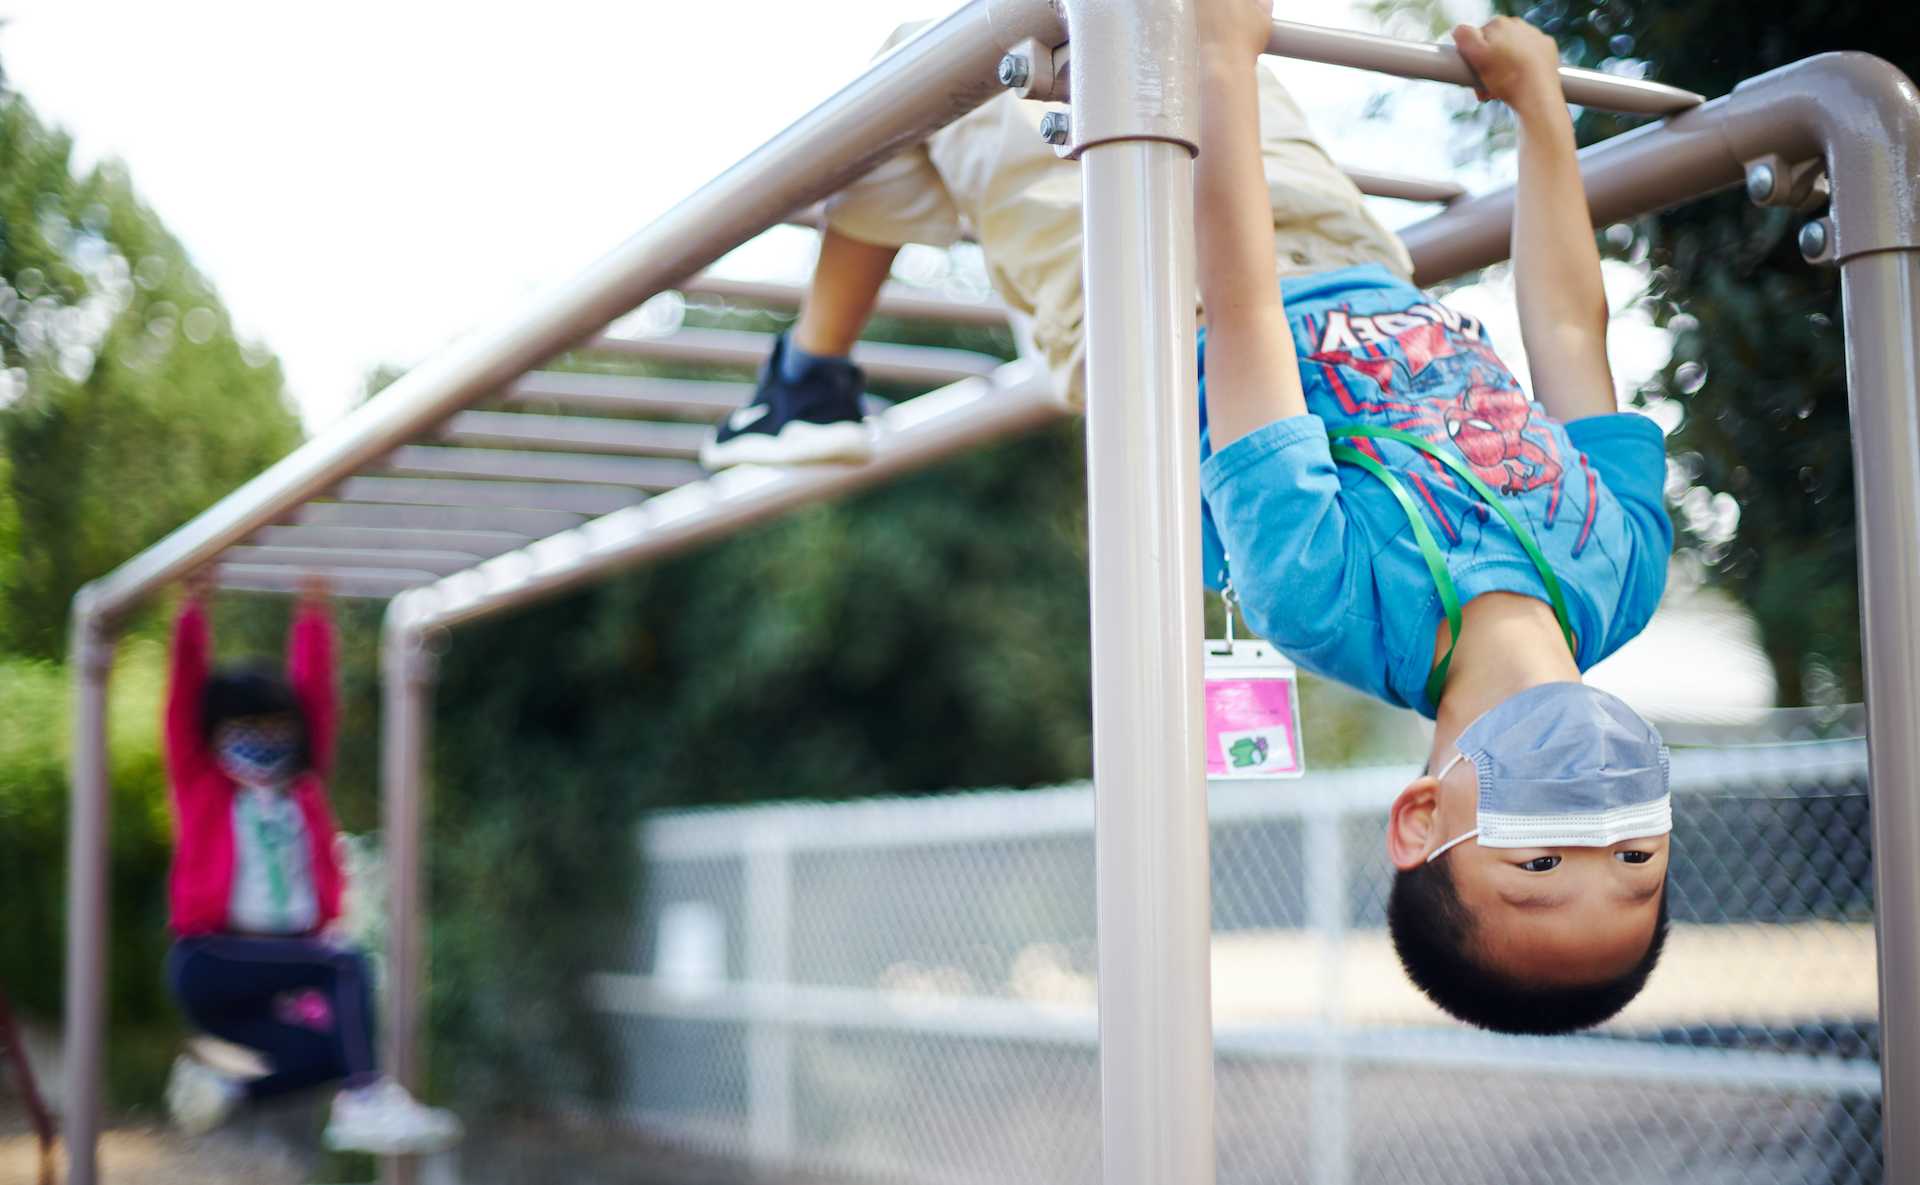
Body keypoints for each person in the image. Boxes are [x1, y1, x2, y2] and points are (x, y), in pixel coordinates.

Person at [706, 8, 1674, 1035]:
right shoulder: (1621, 571)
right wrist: (1539, 106)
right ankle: (838, 330)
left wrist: (1215, 67)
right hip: (1352, 253)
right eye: (1633, 859)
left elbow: (1244, 310)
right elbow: (1571, 323)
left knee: (950, 56)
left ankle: (809, 375)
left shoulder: (1333, 601)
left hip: (1148, 286)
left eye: (1538, 860)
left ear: (1422, 816)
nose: (1592, 814)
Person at [161, 569, 463, 1154]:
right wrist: (192, 615)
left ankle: (224, 1091)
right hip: (213, 959)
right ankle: (365, 1101)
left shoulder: (301, 785)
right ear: (216, 734)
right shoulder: (205, 786)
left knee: (338, 1044)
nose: (262, 742)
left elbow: (316, 703)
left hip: (271, 972)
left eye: (275, 730)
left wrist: (314, 615)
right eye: (244, 730)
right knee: (343, 966)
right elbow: (182, 703)